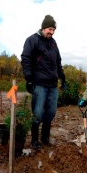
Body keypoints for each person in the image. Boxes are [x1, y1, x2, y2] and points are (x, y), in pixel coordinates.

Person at [21, 15, 66, 149]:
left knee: (51, 112)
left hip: (52, 85)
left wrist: (62, 78)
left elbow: (58, 62)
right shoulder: (32, 40)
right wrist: (29, 79)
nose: (51, 32)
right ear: (43, 27)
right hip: (39, 84)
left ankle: (45, 138)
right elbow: (26, 59)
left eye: (53, 30)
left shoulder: (53, 43)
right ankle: (34, 140)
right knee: (38, 113)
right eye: (50, 29)